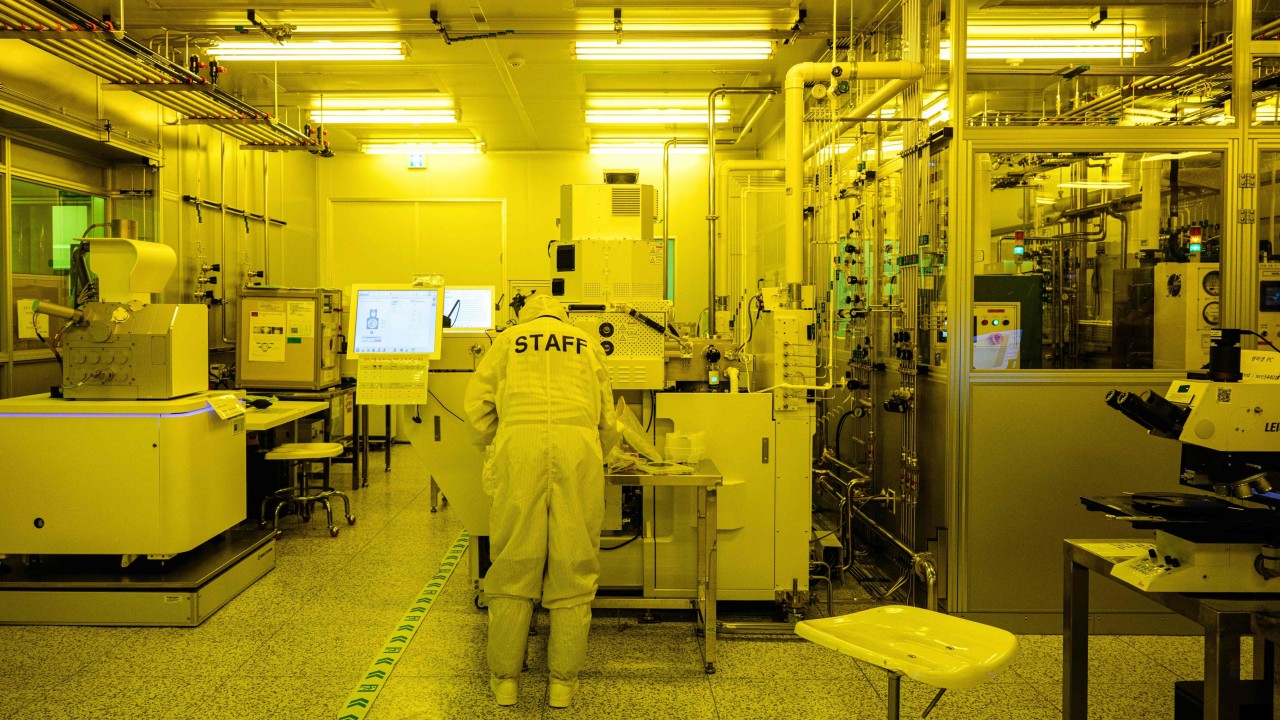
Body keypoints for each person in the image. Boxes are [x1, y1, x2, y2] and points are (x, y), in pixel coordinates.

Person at [464, 294, 619, 709]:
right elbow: (608, 420)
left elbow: (477, 412)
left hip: (520, 446)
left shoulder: (508, 341)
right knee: (574, 564)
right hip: (576, 448)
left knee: (513, 563)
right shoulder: (585, 343)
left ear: (523, 315)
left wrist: (499, 443)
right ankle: (562, 685)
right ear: (563, 316)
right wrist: (596, 452)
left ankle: (505, 681)